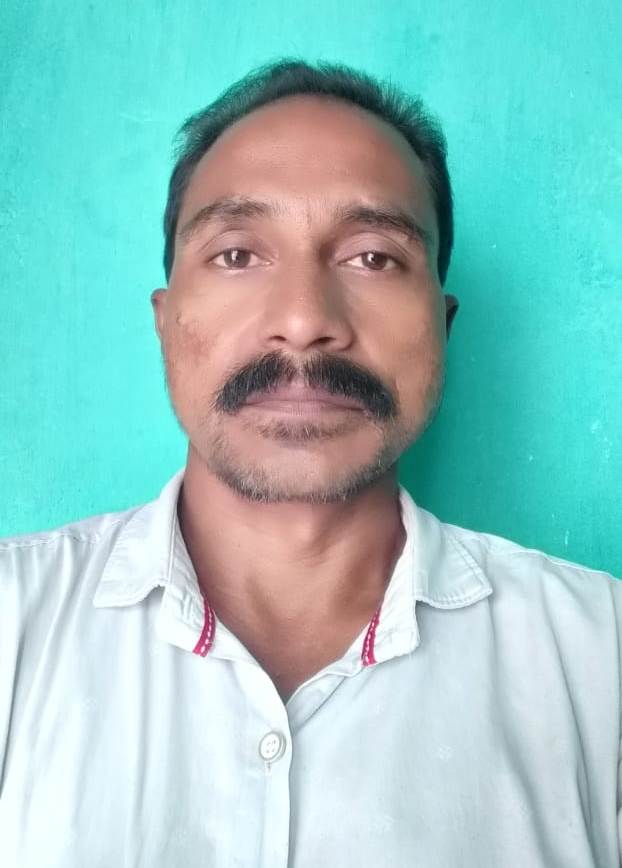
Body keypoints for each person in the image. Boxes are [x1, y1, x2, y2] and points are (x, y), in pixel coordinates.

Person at [0, 59, 620, 868]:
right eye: (236, 254)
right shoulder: (13, 625)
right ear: (165, 320)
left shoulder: (601, 659)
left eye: (373, 258)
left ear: (444, 325)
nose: (302, 320)